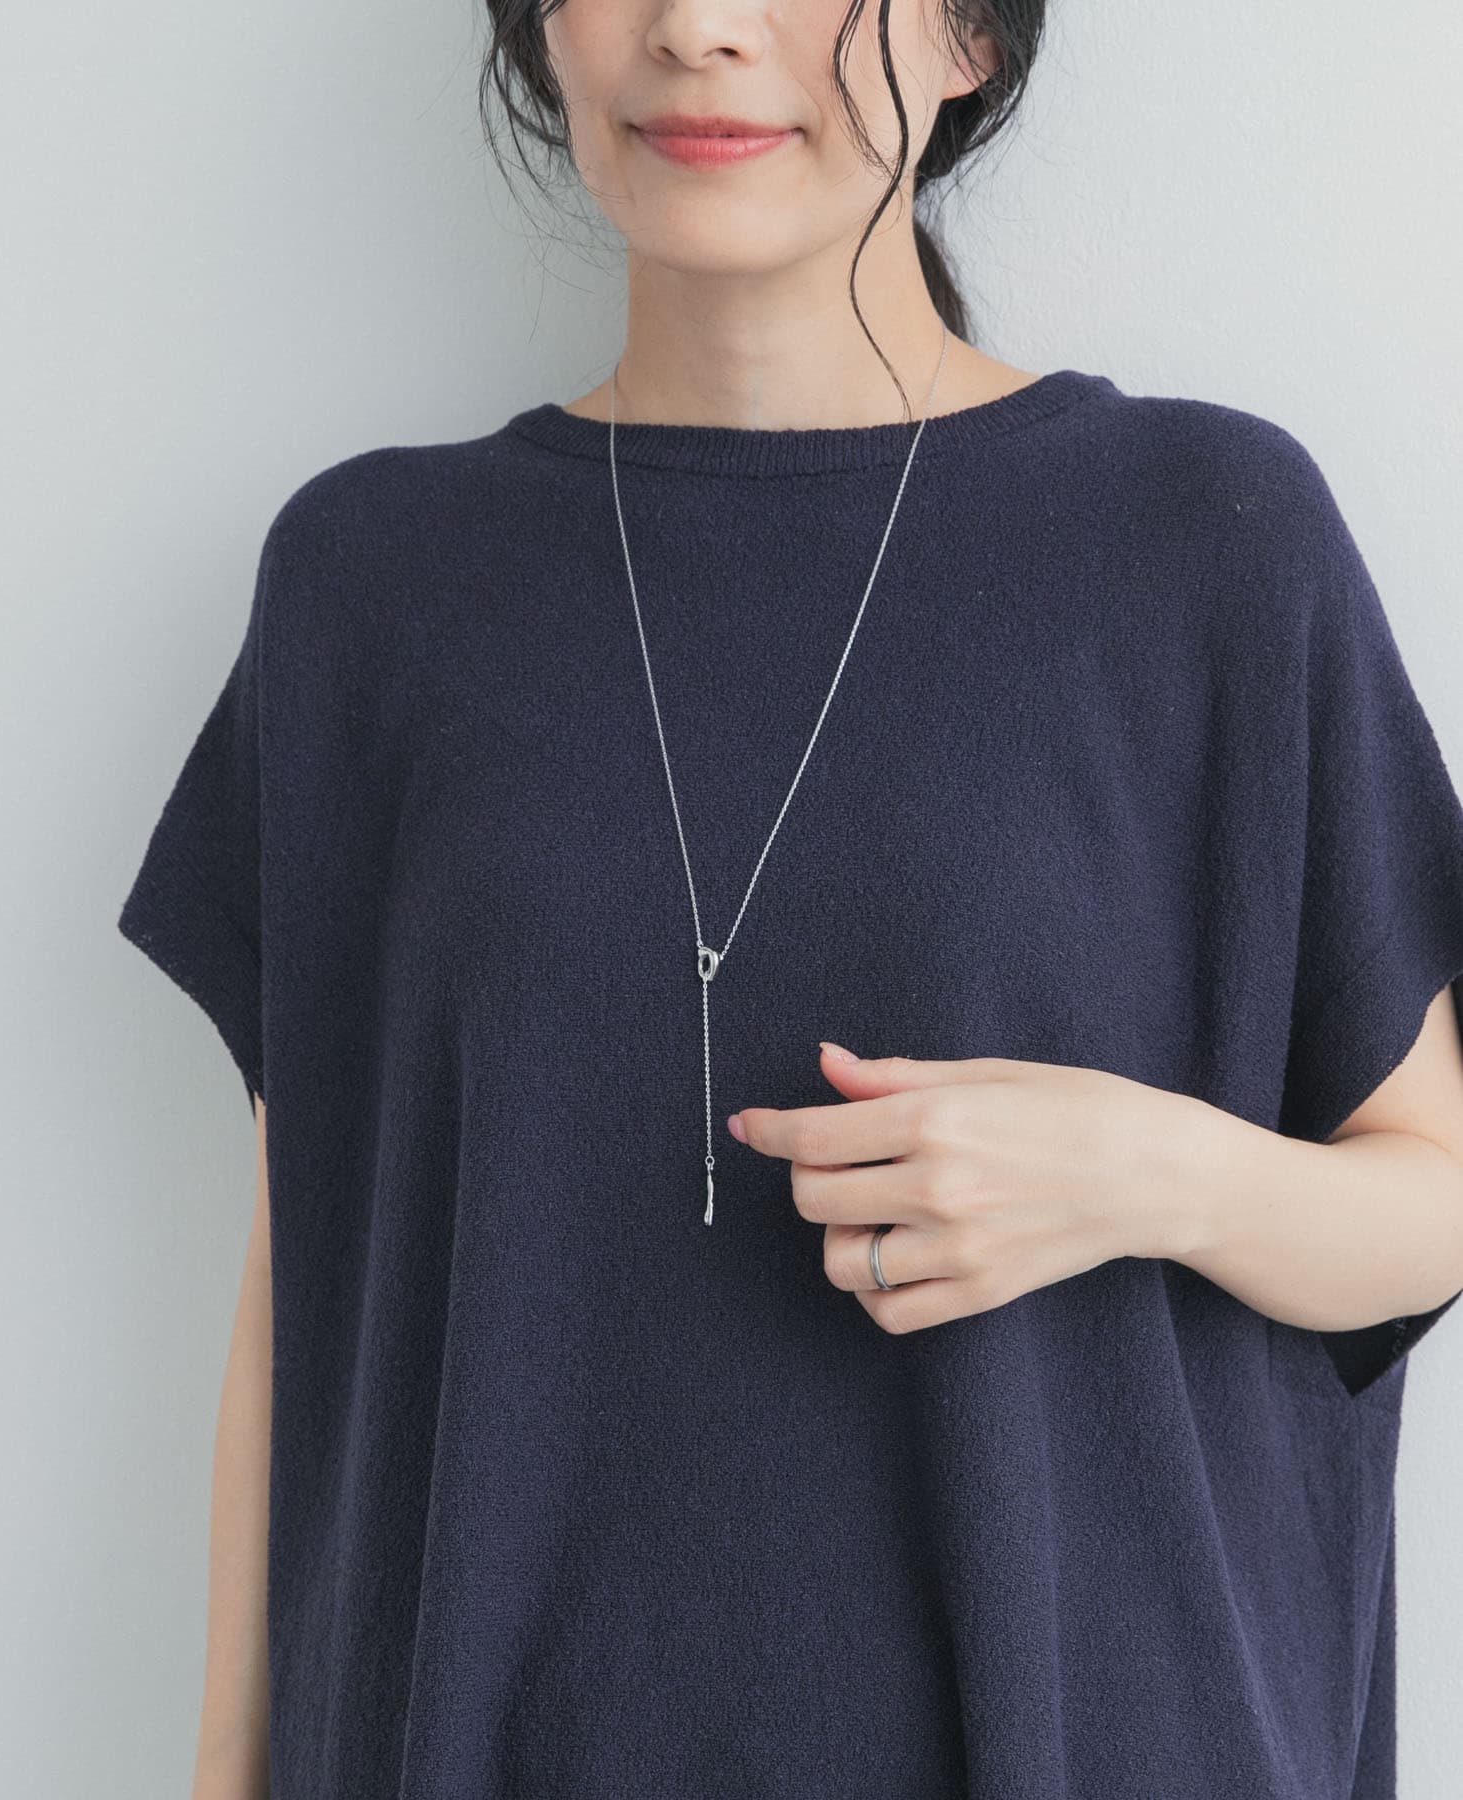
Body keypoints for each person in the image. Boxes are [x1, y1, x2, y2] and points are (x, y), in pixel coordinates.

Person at [116, 0, 1463, 1794]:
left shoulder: (1205, 534)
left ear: (973, 39)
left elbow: (1434, 1199)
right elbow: (314, 1275)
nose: (699, 30)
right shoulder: (373, 582)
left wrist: (1141, 1171)